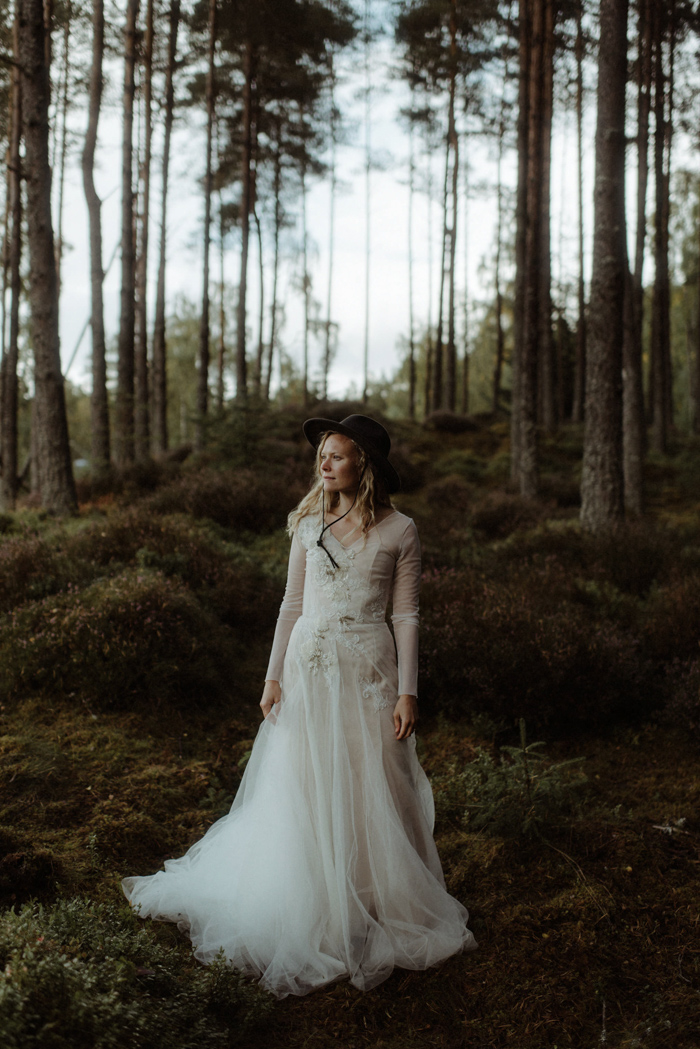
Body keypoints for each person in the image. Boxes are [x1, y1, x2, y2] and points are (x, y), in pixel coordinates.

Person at [122, 414, 476, 998]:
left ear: (364, 464)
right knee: (309, 779)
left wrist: (408, 689)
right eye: (322, 455)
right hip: (308, 669)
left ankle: (375, 893)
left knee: (375, 779)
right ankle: (315, 898)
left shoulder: (400, 531)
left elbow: (407, 614)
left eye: (337, 455)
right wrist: (271, 678)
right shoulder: (309, 521)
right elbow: (291, 603)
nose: (325, 463)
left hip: (368, 669)